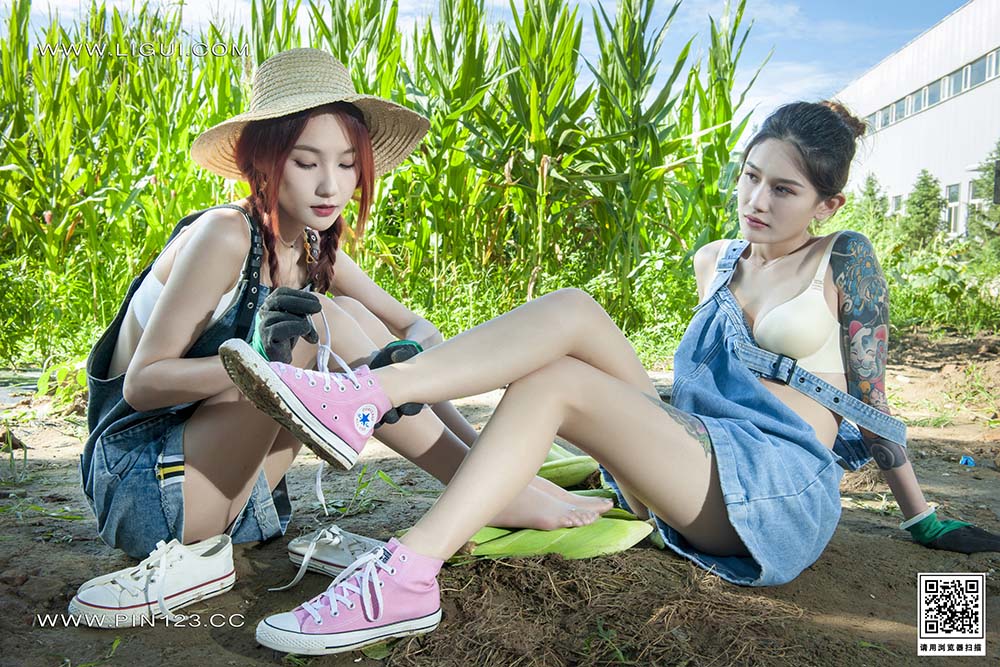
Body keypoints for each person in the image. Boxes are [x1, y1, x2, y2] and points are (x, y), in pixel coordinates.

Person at [217, 100, 1000, 656]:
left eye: (784, 189)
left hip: (774, 488)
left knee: (554, 381)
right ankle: (366, 398)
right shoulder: (716, 261)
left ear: (828, 203)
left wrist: (920, 516)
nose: (757, 200)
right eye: (751, 176)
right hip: (698, 451)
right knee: (574, 308)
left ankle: (410, 572)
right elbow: (695, 394)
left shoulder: (843, 258)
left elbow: (871, 399)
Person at [70, 48, 611, 628]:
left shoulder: (309, 244)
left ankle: (492, 472)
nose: (331, 185)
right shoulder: (223, 235)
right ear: (262, 161)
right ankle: (492, 490)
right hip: (152, 492)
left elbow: (410, 327)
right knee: (321, 323)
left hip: (242, 499)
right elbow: (144, 383)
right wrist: (261, 367)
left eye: (348, 164)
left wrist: (411, 355)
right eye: (306, 163)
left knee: (349, 317)